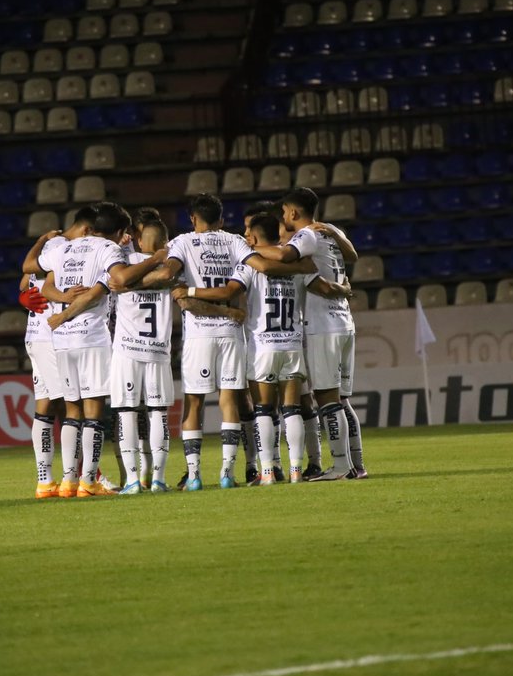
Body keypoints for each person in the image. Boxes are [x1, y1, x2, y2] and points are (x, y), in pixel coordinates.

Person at [140, 193, 315, 490]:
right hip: (233, 333)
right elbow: (264, 266)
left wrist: (138, 282)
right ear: (221, 219)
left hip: (199, 335)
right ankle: (227, 473)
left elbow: (168, 272)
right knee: (230, 401)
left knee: (193, 404)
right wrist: (300, 268)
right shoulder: (235, 242)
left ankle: (194, 475)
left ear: (193, 218)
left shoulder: (182, 241)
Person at [176, 213, 351, 483]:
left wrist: (188, 292)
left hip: (262, 347)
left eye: (248, 232)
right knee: (291, 409)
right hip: (292, 344)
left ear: (256, 237)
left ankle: (267, 472)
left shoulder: (249, 266)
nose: (245, 236)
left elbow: (227, 293)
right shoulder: (299, 266)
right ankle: (296, 471)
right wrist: (344, 289)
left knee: (264, 410)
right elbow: (325, 288)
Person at [37, 202, 163, 497]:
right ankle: (89, 481)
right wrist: (156, 257)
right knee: (94, 413)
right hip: (92, 339)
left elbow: (38, 277)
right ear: (119, 232)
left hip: (62, 341)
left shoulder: (65, 248)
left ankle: (68, 481)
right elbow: (118, 279)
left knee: (72, 411)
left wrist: (63, 305)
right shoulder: (109, 251)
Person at [254, 187, 365, 481]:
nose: (282, 219)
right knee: (341, 399)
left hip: (322, 326)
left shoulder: (306, 236)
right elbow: (352, 255)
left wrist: (247, 247)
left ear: (292, 212)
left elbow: (282, 254)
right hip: (344, 321)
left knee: (327, 398)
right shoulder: (330, 231)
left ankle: (341, 466)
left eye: (283, 213)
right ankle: (357, 464)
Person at [17, 207, 97, 499]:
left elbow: (25, 282)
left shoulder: (53, 244)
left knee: (46, 406)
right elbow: (28, 282)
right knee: (70, 406)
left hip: (37, 335)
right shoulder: (65, 248)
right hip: (50, 336)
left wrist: (25, 294)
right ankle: (77, 478)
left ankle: (46, 481)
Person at [106, 218, 176, 494]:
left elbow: (117, 280)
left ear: (141, 240)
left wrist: (127, 286)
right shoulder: (172, 263)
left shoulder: (126, 260)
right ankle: (158, 479)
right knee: (158, 414)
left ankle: (133, 481)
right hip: (158, 349)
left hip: (127, 350)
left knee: (126, 414)